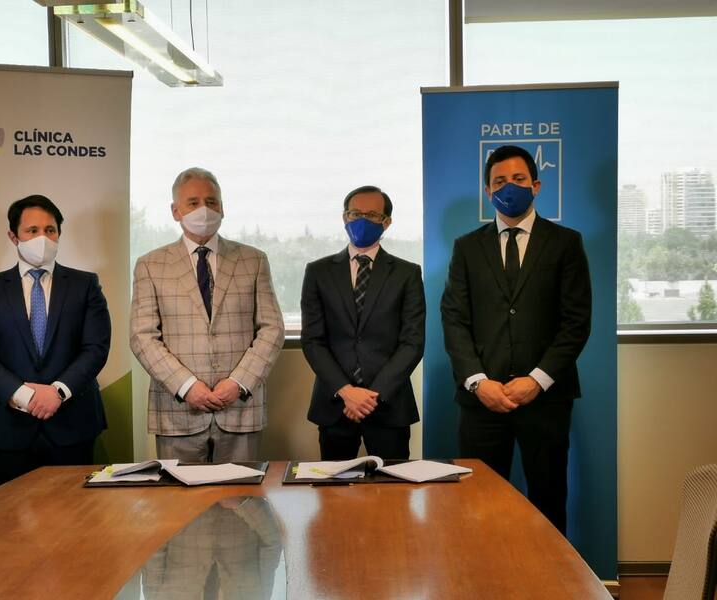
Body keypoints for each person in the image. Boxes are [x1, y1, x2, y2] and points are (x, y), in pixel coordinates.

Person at [441, 144, 591, 534]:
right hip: (482, 401)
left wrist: (537, 380)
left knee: (548, 501)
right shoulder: (467, 247)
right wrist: (479, 383)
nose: (509, 187)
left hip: (546, 400)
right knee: (477, 505)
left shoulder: (566, 243)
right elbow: (454, 320)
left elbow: (576, 323)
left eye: (519, 179)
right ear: (488, 191)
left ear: (536, 186)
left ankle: (549, 573)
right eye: (500, 181)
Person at [130, 167, 284, 462]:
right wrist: (187, 386)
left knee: (241, 490)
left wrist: (238, 383)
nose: (204, 209)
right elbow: (142, 337)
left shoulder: (254, 260)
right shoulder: (150, 265)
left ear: (222, 208)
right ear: (175, 211)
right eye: (193, 202)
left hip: (240, 409)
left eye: (211, 202)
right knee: (179, 493)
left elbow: (272, 329)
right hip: (178, 411)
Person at [0, 195, 111, 486]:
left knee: (76, 511)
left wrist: (57, 392)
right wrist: (26, 396)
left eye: (50, 230)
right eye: (32, 230)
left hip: (73, 425)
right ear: (13, 236)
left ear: (59, 234)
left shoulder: (85, 284)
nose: (42, 238)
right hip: (10, 428)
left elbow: (95, 348)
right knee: (10, 512)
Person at [301, 185, 425, 460]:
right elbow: (312, 341)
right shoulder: (318, 271)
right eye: (355, 214)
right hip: (336, 405)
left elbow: (412, 343)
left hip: (388, 406)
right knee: (335, 486)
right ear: (345, 217)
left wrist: (372, 396)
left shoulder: (407, 273)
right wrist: (347, 392)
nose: (361, 220)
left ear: (386, 222)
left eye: (371, 215)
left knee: (393, 486)